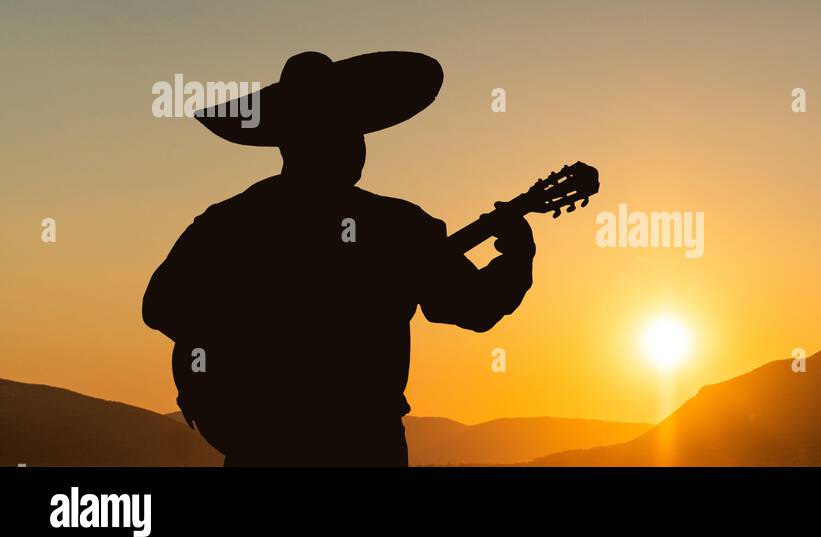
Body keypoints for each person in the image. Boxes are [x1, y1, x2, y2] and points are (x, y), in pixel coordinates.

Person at [142, 51, 534, 466]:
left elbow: (162, 306)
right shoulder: (398, 225)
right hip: (362, 443)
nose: (355, 143)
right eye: (345, 128)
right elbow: (472, 305)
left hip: (261, 445)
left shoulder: (230, 221)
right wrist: (517, 257)